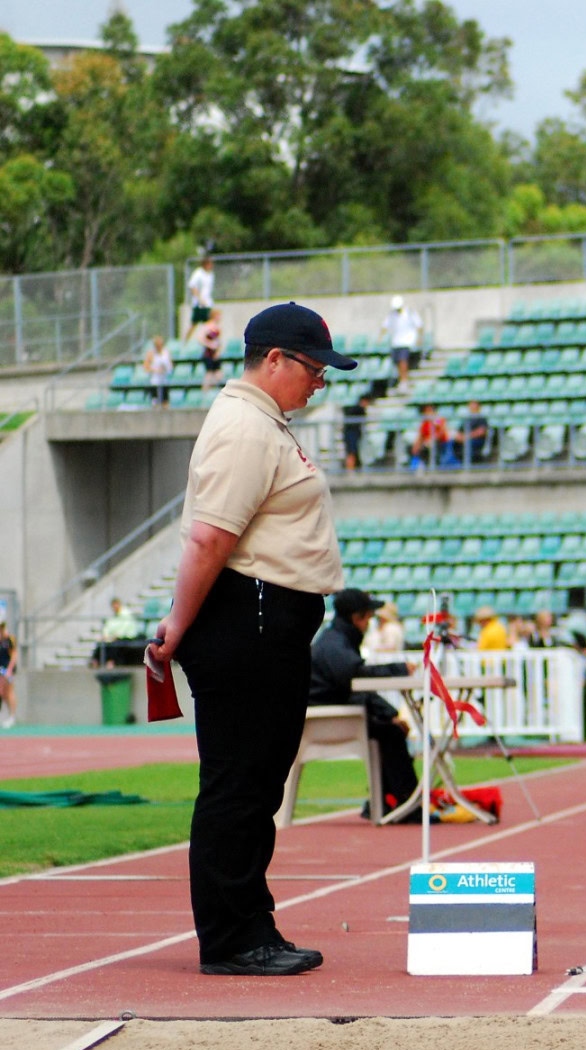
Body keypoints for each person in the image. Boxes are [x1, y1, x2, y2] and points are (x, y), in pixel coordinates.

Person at [144, 301, 358, 976]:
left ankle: (249, 923)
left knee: (257, 784)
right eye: (314, 367)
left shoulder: (265, 423)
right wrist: (176, 626)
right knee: (240, 783)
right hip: (249, 616)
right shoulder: (243, 426)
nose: (320, 380)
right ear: (274, 360)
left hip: (266, 616)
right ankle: (232, 937)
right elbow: (211, 535)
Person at [308, 588, 418, 816]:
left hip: (331, 713)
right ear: (357, 617)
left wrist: (389, 713)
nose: (371, 622)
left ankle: (384, 802)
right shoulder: (336, 644)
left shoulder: (337, 640)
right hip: (326, 719)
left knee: (389, 730)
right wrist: (398, 671)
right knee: (391, 733)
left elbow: (352, 686)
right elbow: (354, 680)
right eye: (369, 616)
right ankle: (406, 804)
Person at [383, 295, 423, 392]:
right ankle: (401, 380)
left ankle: (404, 381)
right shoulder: (392, 314)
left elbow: (419, 325)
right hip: (396, 342)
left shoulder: (409, 312)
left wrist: (419, 338)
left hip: (407, 341)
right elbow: (385, 326)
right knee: (397, 361)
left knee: (403, 360)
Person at [91, 597, 144, 667]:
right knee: (101, 644)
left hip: (127, 637)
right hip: (114, 637)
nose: (114, 607)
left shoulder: (126, 614)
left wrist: (115, 636)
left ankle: (111, 661)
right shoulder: (113, 617)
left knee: (115, 644)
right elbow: (107, 627)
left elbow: (125, 629)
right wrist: (106, 636)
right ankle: (96, 661)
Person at [410, 403, 451, 468]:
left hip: (440, 441)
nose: (428, 413)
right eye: (426, 411)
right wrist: (416, 445)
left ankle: (433, 465)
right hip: (428, 442)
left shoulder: (437, 419)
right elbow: (421, 435)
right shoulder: (425, 422)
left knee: (429, 445)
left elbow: (441, 430)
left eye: (430, 410)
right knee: (416, 447)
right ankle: (419, 465)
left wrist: (432, 439)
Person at [195, 309, 225, 395]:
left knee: (219, 374)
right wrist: (210, 344)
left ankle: (222, 394)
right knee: (209, 373)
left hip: (215, 354)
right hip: (208, 353)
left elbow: (218, 341)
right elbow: (200, 338)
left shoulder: (217, 327)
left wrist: (218, 350)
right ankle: (204, 394)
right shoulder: (207, 326)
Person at [184, 254, 214, 339]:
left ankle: (208, 343)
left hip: (207, 304)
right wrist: (199, 299)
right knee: (194, 324)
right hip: (199, 305)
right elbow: (192, 286)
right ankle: (185, 343)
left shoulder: (210, 275)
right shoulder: (198, 273)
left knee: (210, 325)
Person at [341, 391, 369, 471]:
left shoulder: (353, 409)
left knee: (352, 452)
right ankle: (350, 470)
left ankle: (350, 469)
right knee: (351, 453)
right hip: (352, 434)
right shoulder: (358, 409)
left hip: (351, 434)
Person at [456, 399, 490, 465]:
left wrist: (467, 436)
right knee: (452, 442)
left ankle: (469, 464)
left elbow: (481, 431)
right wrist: (459, 437)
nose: (472, 407)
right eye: (471, 405)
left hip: (476, 440)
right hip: (465, 439)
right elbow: (460, 430)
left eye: (474, 405)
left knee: (468, 444)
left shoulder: (481, 418)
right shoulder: (466, 418)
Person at [143, 336, 173, 408]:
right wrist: (156, 370)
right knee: (155, 401)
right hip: (155, 380)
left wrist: (165, 369)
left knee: (165, 401)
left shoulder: (166, 353)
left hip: (164, 380)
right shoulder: (151, 353)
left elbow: (170, 365)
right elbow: (146, 367)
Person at [0, 620, 16, 728]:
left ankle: (12, 716)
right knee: (2, 693)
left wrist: (9, 669)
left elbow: (14, 655)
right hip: (1, 669)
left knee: (9, 692)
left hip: (8, 669)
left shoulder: (9, 639)